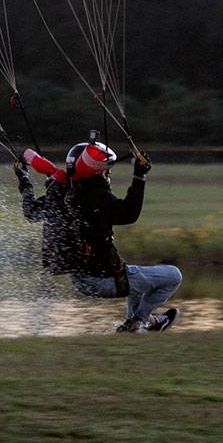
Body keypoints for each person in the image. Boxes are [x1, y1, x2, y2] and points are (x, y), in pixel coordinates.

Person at [63, 138, 181, 333]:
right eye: (105, 170)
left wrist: (24, 178)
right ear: (94, 171)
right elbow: (129, 213)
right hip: (103, 281)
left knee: (135, 274)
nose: (107, 173)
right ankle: (138, 322)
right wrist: (139, 176)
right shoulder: (96, 198)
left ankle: (150, 322)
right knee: (173, 276)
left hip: (80, 280)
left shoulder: (69, 194)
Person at [13, 148, 76, 276]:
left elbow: (31, 214)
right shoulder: (88, 194)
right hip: (81, 264)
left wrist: (24, 179)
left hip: (56, 265)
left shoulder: (53, 200)